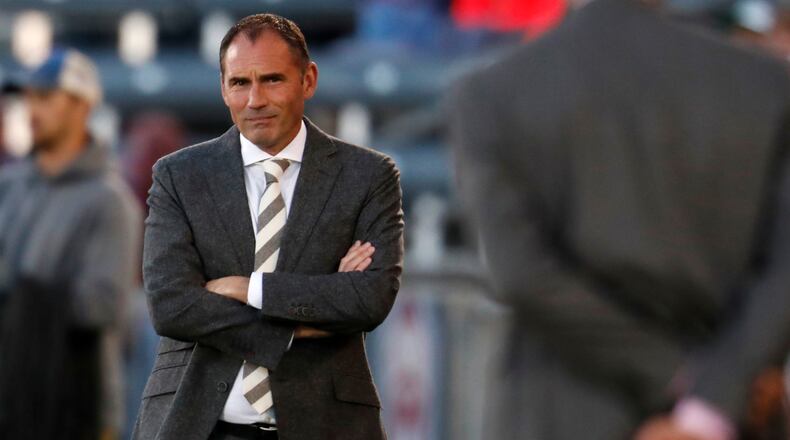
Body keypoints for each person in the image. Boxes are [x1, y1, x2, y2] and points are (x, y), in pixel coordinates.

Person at [448, 0, 790, 439]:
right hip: (739, 408)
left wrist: (679, 377)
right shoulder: (767, 86)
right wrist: (712, 396)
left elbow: (520, 273)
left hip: (564, 413)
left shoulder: (491, 94)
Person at [133, 13, 404, 440]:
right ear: (223, 88)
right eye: (240, 83)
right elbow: (172, 306)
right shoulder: (178, 175)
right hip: (198, 426)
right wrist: (301, 326)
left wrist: (249, 289)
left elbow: (368, 300)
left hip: (325, 426)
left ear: (308, 80)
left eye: (272, 80)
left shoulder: (368, 175)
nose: (255, 99)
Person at [0, 48, 141, 439]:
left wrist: (17, 288)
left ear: (82, 107)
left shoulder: (110, 201)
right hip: (8, 397)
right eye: (28, 97)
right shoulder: (8, 186)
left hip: (77, 406)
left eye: (45, 97)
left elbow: (102, 305)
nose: (32, 109)